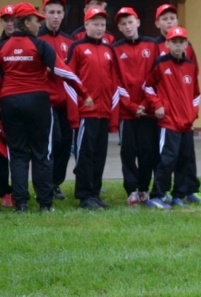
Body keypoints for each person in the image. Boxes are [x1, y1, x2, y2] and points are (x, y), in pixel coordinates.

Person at [0, 2, 88, 212]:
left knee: (18, 153)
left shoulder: (3, 46)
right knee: (42, 153)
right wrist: (83, 92)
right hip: (37, 101)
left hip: (9, 102)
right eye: (36, 20)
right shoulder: (40, 45)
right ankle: (45, 204)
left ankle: (20, 203)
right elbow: (62, 70)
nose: (39, 24)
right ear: (26, 22)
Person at [143, 26, 201, 209]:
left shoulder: (191, 66)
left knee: (185, 159)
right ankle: (157, 195)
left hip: (186, 123)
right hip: (168, 123)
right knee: (167, 160)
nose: (178, 46)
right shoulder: (160, 64)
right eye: (174, 42)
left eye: (181, 42)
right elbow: (148, 87)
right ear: (167, 43)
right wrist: (158, 105)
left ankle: (179, 195)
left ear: (186, 44)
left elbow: (196, 94)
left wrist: (193, 115)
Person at [66, 6, 118, 210]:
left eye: (102, 25)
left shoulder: (108, 50)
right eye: (95, 24)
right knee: (85, 155)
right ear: (86, 24)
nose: (99, 28)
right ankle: (84, 196)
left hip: (103, 112)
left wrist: (112, 113)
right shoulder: (77, 48)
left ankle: (95, 193)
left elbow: (113, 82)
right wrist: (77, 108)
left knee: (99, 155)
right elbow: (69, 80)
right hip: (86, 113)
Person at [112, 7, 160, 206]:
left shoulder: (153, 44)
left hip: (148, 111)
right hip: (127, 112)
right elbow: (115, 81)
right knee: (128, 152)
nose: (127, 26)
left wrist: (146, 104)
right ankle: (131, 190)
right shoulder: (115, 49)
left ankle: (143, 189)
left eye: (130, 22)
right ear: (119, 28)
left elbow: (157, 76)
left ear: (138, 22)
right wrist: (131, 106)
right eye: (123, 24)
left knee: (148, 151)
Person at [38, 0, 73, 202]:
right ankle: (46, 185)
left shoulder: (68, 41)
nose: (56, 16)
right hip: (46, 102)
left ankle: (56, 183)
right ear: (44, 13)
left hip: (66, 102)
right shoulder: (37, 39)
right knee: (52, 142)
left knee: (65, 145)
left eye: (59, 12)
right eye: (52, 12)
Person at [0, 4, 13, 208]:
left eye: (13, 20)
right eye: (7, 20)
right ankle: (4, 190)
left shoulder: (28, 43)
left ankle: (16, 190)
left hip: (18, 103)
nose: (10, 23)